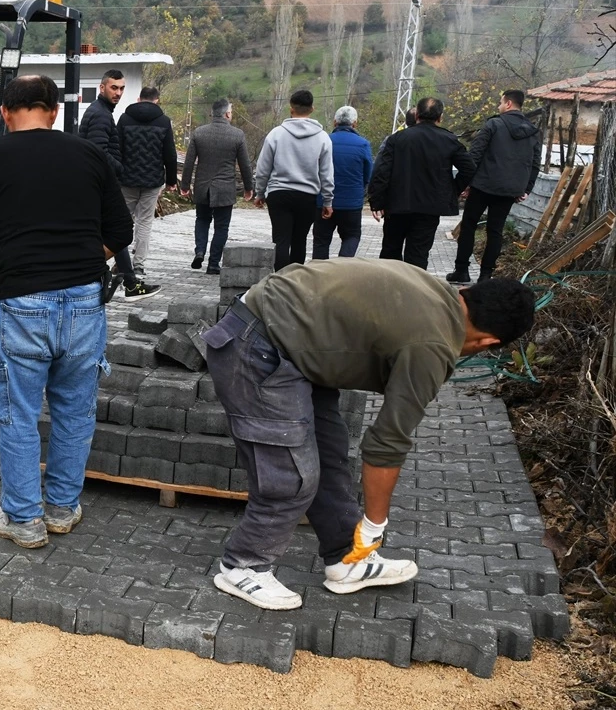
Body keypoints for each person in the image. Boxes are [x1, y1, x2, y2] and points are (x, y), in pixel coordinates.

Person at [203, 259, 536, 610]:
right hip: (256, 344)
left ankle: (347, 560)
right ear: (489, 341)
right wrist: (375, 524)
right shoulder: (433, 344)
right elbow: (386, 444)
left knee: (328, 453)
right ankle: (242, 566)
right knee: (293, 474)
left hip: (290, 341)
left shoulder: (437, 291)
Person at [0, 75, 133, 548]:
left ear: (5, 114)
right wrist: (82, 263)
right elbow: (122, 230)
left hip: (22, 304)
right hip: (84, 305)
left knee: (18, 414)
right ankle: (61, 509)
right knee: (74, 412)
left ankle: (24, 519)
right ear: (53, 112)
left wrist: (6, 271)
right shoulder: (89, 155)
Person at [367, 97, 475, 270]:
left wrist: (377, 201)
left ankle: (387, 290)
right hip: (430, 208)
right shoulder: (449, 140)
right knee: (418, 254)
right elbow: (469, 169)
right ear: (440, 117)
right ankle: (415, 292)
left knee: (390, 250)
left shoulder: (397, 139)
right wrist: (451, 190)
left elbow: (382, 171)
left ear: (416, 114)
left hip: (397, 205)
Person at [78, 69, 158, 300]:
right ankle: (128, 282)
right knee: (118, 231)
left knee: (112, 232)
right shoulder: (101, 115)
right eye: (114, 87)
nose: (118, 92)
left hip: (95, 183)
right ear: (102, 87)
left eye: (122, 88)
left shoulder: (101, 111)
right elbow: (98, 152)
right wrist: (120, 168)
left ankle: (128, 281)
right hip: (97, 184)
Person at [447, 90, 541, 284]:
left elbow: (475, 155)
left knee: (469, 226)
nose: (498, 106)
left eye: (500, 102)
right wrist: (526, 189)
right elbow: (535, 163)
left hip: (483, 185)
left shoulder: (494, 124)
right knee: (495, 231)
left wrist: (466, 183)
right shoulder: (533, 132)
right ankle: (485, 276)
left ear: (508, 104)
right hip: (510, 190)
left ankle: (462, 271)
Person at [253, 89, 334, 271]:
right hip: (307, 196)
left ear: (291, 109)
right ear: (312, 109)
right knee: (299, 240)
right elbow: (327, 174)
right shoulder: (323, 138)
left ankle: (279, 280)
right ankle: (294, 281)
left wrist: (260, 193)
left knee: (281, 239)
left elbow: (263, 167)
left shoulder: (276, 134)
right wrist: (328, 201)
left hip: (279, 193)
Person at [181, 98, 253, 275]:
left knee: (202, 220)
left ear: (212, 113)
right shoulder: (237, 135)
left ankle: (200, 251)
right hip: (225, 188)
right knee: (222, 227)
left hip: (202, 187)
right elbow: (245, 165)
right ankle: (213, 263)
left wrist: (184, 185)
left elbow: (189, 162)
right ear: (227, 114)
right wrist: (249, 187)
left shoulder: (199, 133)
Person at [115, 85, 178, 276]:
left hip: (127, 179)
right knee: (144, 222)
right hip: (152, 181)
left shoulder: (124, 119)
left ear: (139, 99)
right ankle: (139, 264)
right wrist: (171, 180)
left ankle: (121, 262)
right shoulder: (163, 121)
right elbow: (170, 154)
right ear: (156, 100)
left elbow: (117, 149)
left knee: (123, 221)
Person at [313, 105, 372, 259]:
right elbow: (367, 175)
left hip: (323, 202)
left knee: (321, 241)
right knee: (351, 236)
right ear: (355, 124)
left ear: (334, 122)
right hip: (351, 203)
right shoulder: (363, 144)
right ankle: (342, 269)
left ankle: (319, 276)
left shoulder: (324, 141)